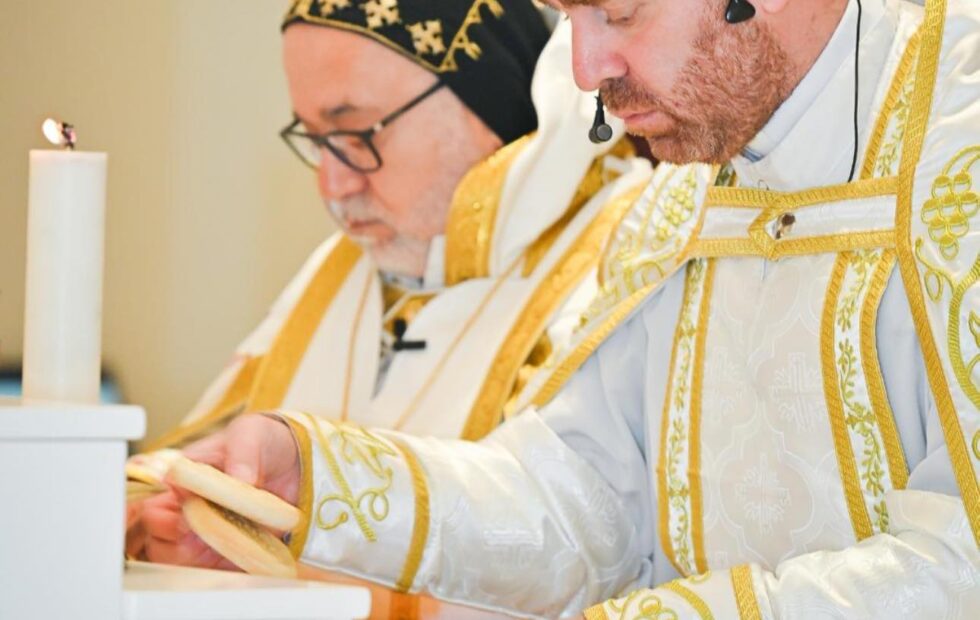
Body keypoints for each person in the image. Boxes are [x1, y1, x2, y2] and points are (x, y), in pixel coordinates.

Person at [132, 0, 980, 618]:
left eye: (619, 14)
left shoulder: (961, 131)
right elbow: (582, 497)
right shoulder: (681, 193)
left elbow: (962, 566)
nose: (584, 71)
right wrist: (322, 478)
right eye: (570, 14)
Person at [139, 0, 650, 456]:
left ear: (485, 106)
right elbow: (198, 454)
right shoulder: (344, 263)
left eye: (357, 133)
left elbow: (573, 529)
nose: (333, 186)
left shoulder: (631, 253)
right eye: (316, 139)